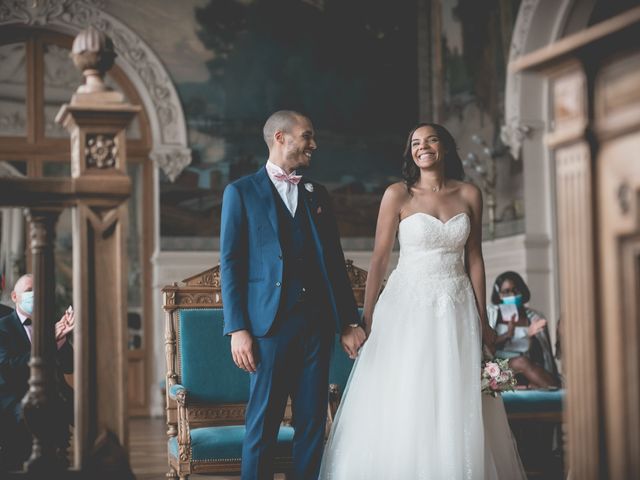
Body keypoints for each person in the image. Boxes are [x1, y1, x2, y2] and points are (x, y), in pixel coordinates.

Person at [320, 123, 525, 479]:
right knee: (408, 387)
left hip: (456, 303)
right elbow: (380, 259)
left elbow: (474, 258)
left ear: (444, 147)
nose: (423, 147)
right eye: (415, 143)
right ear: (410, 153)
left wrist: (483, 320)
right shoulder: (398, 195)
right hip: (407, 305)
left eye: (430, 140)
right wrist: (366, 318)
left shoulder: (469, 193)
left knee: (454, 392)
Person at [220, 110, 366, 480]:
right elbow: (231, 263)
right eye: (307, 136)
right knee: (262, 425)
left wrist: (348, 321)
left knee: (313, 423)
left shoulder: (317, 193)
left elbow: (334, 261)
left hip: (316, 324)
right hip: (269, 328)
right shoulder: (240, 192)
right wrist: (237, 328)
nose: (313, 144)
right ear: (281, 137)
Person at [0, 274, 74, 471]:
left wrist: (62, 340)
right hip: (15, 395)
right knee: (35, 413)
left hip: (55, 392)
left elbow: (70, 366)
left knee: (92, 407)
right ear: (15, 297)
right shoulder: (3, 327)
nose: (35, 295)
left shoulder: (50, 324)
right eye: (29, 291)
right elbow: (8, 368)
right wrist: (49, 343)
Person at [488, 271, 560, 389]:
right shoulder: (491, 314)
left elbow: (543, 355)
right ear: (499, 294)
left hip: (528, 366)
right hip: (498, 366)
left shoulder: (534, 317)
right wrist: (507, 335)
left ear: (522, 291)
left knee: (524, 363)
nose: (512, 294)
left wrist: (531, 337)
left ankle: (548, 389)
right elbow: (486, 346)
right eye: (506, 292)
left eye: (515, 290)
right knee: (521, 362)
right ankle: (556, 389)